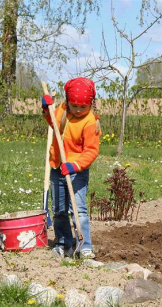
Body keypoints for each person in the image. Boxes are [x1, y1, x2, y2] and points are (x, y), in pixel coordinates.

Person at [41, 77, 102, 258]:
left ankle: (85, 247)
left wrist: (75, 165)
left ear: (90, 104)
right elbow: (54, 122)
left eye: (83, 107)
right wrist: (47, 109)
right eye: (74, 105)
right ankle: (63, 243)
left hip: (77, 172)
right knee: (59, 210)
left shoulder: (90, 122)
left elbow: (91, 151)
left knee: (78, 210)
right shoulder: (64, 109)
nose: (78, 110)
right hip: (57, 167)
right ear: (68, 102)